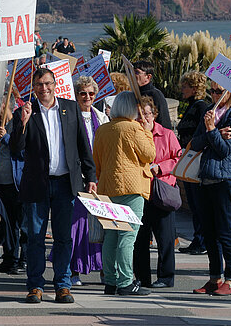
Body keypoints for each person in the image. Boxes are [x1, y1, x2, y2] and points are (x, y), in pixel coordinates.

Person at [10, 68, 97, 304]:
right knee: (35, 237)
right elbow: (16, 149)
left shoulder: (70, 109)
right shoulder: (25, 111)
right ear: (34, 87)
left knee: (63, 237)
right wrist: (22, 124)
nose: (44, 88)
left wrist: (91, 176)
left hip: (65, 183)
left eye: (47, 83)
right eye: (39, 84)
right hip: (37, 183)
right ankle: (36, 285)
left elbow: (83, 145)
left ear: (55, 84)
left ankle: (63, 284)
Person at [93, 91, 155, 296]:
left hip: (109, 187)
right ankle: (126, 281)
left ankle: (110, 280)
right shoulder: (134, 128)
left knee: (111, 236)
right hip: (132, 188)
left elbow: (97, 161)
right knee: (127, 237)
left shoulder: (102, 130)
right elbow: (149, 154)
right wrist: (147, 131)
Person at [190, 82, 231, 296]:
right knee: (209, 232)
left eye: (219, 91)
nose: (214, 95)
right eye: (212, 91)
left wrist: (212, 131)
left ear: (230, 92)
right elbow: (194, 143)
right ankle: (215, 278)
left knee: (225, 231)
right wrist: (212, 133)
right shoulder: (208, 112)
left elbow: (226, 151)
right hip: (205, 178)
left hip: (223, 180)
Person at [64, 76, 109, 286]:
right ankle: (74, 269)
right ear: (76, 94)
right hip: (76, 177)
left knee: (100, 224)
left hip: (99, 177)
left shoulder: (102, 117)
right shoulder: (68, 115)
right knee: (77, 225)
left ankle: (102, 268)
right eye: (83, 93)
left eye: (91, 94)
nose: (87, 97)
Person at [133, 96, 181, 288]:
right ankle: (143, 278)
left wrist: (160, 168)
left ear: (154, 114)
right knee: (140, 239)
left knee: (165, 238)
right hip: (141, 192)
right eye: (139, 114)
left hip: (162, 191)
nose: (143, 118)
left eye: (147, 113)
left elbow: (178, 159)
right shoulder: (133, 134)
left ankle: (166, 277)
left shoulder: (167, 134)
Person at [0, 102, 26, 275]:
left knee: (20, 223)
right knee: (4, 223)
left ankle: (22, 260)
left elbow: (23, 149)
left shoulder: (19, 121)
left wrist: (6, 138)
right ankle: (9, 258)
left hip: (16, 182)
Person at [177, 71, 209, 255]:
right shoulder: (191, 106)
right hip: (187, 159)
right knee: (193, 204)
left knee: (198, 204)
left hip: (195, 161)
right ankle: (198, 239)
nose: (182, 89)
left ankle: (202, 241)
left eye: (186, 86)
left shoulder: (201, 107)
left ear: (195, 88)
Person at [133, 61, 172, 129]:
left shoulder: (156, 94)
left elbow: (164, 121)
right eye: (132, 72)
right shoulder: (133, 93)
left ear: (148, 77)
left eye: (137, 72)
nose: (133, 75)